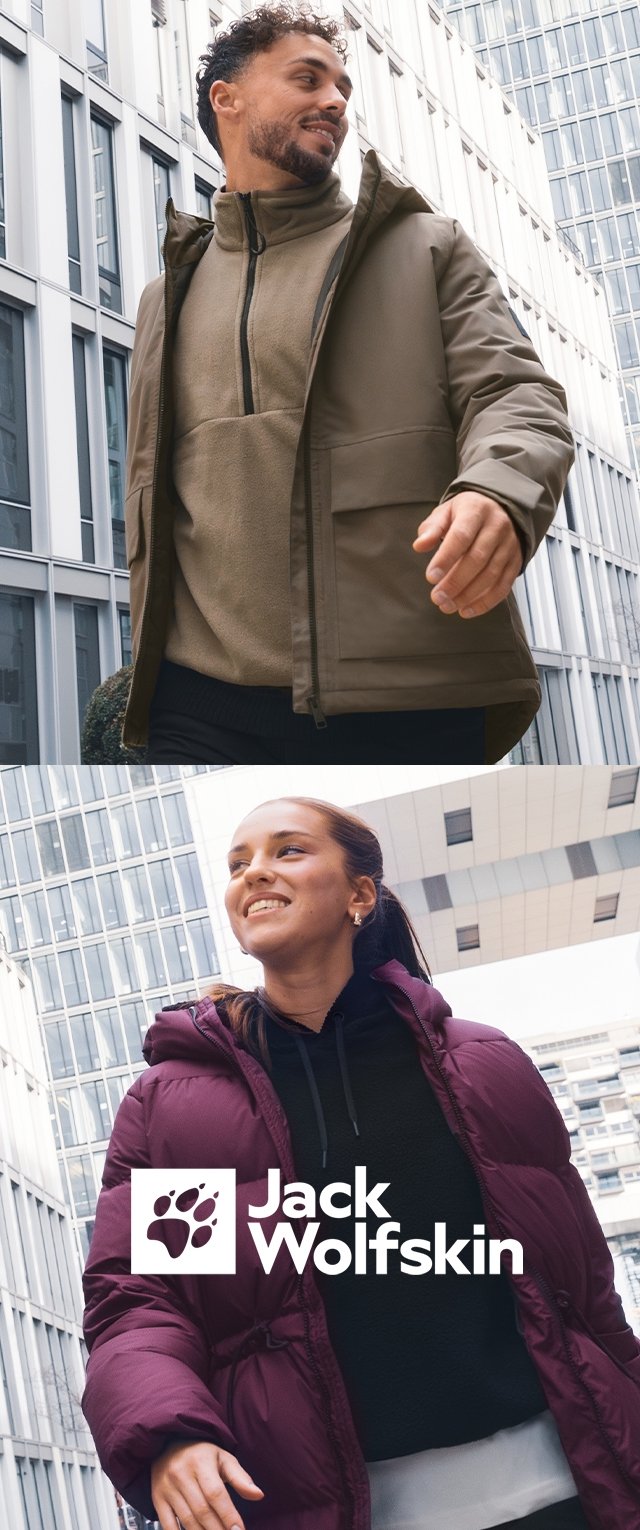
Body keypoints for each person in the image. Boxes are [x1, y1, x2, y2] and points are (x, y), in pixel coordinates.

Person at [81, 795, 640, 1530]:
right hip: (329, 1507)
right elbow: (147, 1300)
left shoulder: (484, 1065)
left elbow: (586, 1295)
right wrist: (168, 1433)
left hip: (560, 1493)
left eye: (287, 850)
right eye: (238, 863)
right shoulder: (183, 1106)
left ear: (360, 895)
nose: (253, 873)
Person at [121, 2, 576, 768]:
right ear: (227, 99)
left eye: (342, 87)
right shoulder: (163, 299)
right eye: (308, 79)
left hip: (407, 693)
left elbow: (516, 397)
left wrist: (498, 492)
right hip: (198, 702)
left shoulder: (425, 246)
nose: (334, 100)